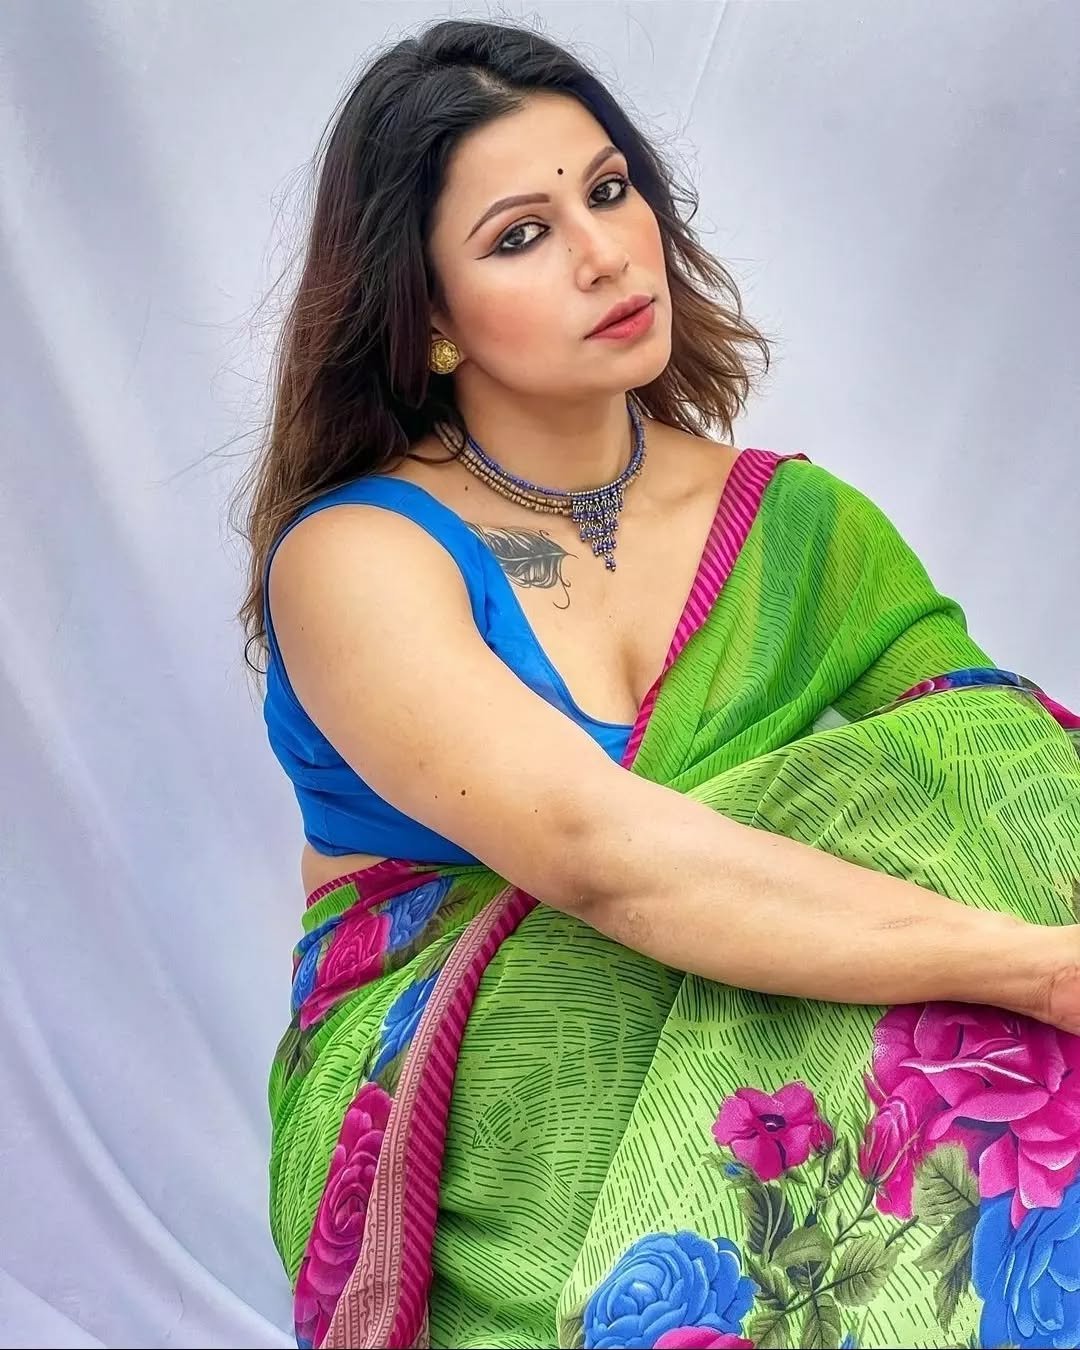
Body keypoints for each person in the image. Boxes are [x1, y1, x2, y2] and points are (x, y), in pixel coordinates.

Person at [236, 19, 1080, 1350]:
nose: (604, 254)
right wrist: (1039, 970)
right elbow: (599, 855)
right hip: (485, 1094)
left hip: (778, 1028)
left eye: (611, 189)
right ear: (429, 317)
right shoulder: (358, 559)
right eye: (522, 235)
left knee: (969, 770)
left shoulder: (800, 526)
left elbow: (1013, 780)